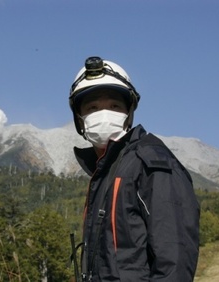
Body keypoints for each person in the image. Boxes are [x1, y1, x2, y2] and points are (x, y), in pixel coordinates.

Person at [68, 56, 200, 281]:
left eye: (114, 105)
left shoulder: (151, 163)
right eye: (92, 107)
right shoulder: (107, 170)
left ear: (129, 112)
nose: (103, 113)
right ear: (80, 118)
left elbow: (174, 262)